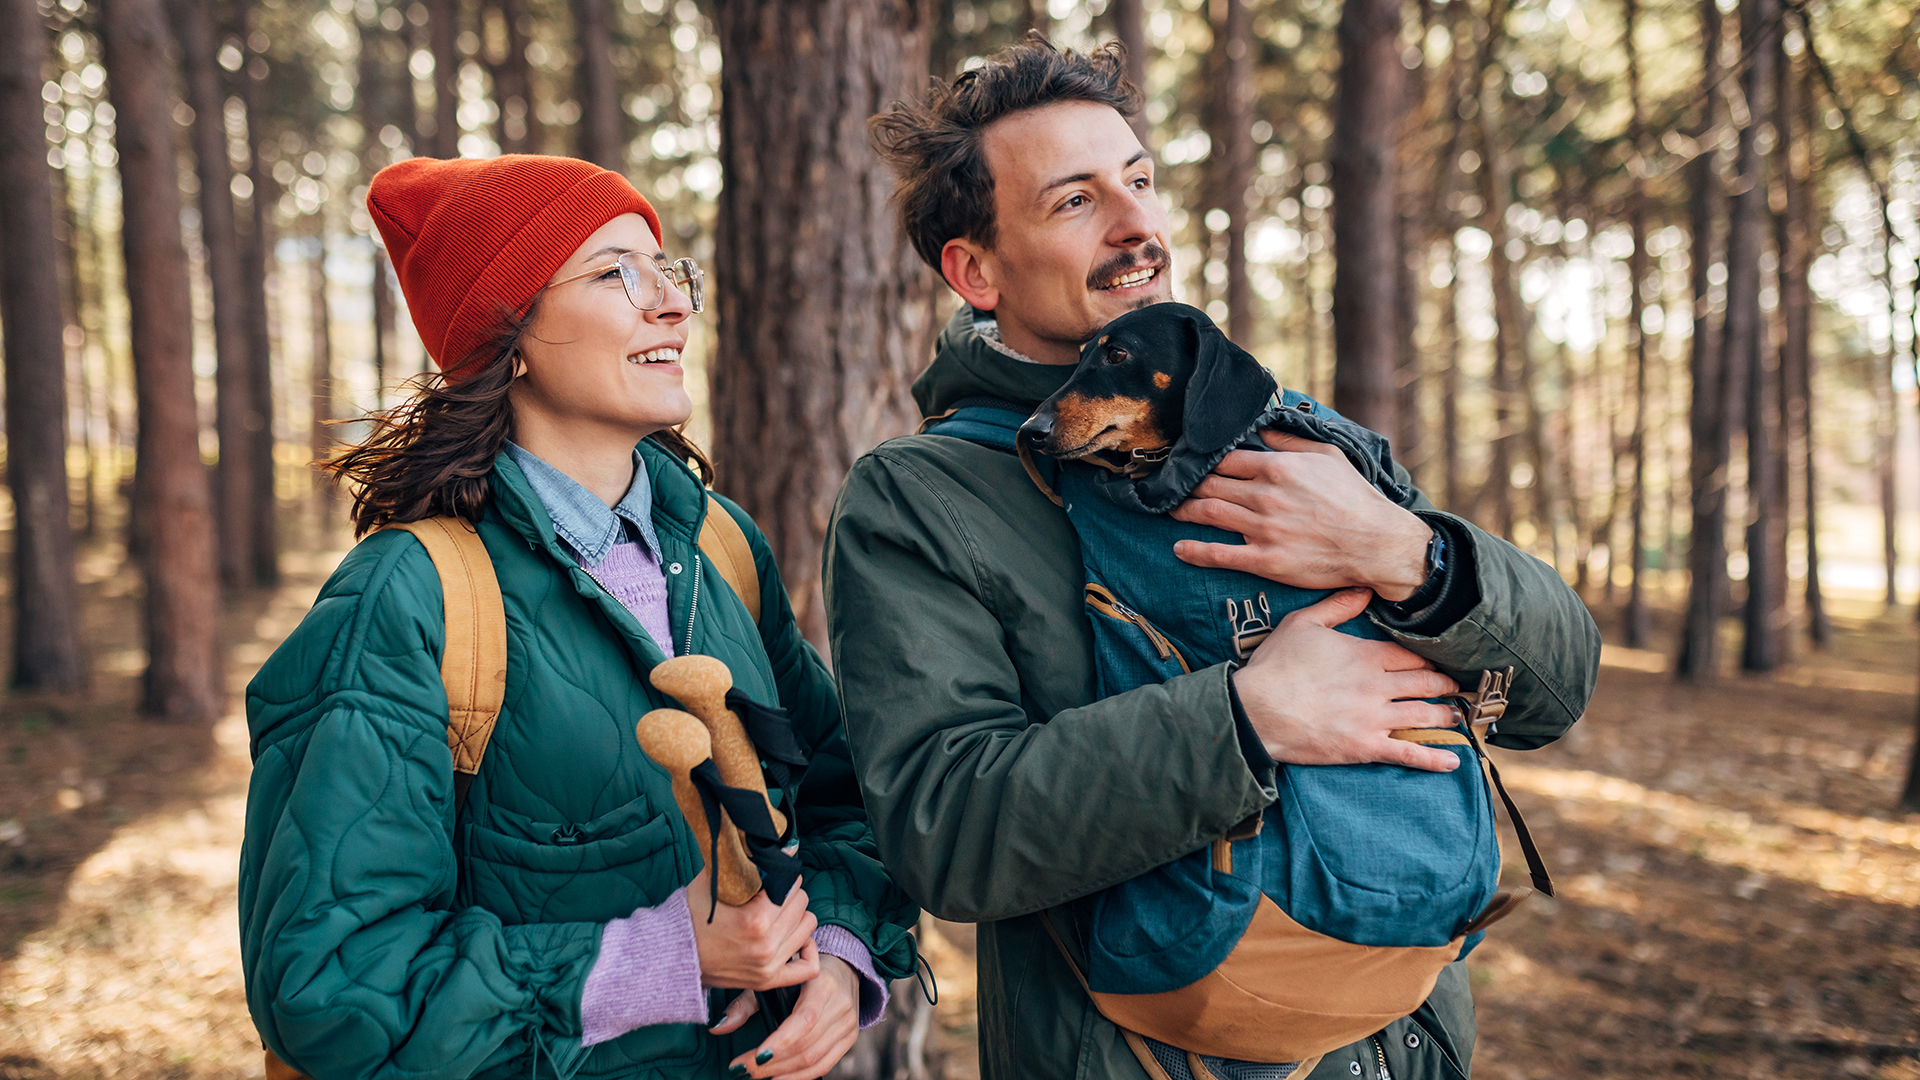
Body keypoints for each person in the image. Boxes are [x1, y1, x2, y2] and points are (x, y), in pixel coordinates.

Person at [825, 39, 1601, 1080]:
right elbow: (945, 829)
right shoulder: (922, 498)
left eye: (1139, 180)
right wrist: (1246, 719)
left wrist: (1399, 547)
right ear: (975, 269)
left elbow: (1552, 695)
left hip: (1406, 1041)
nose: (1138, 224)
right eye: (1074, 201)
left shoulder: (1300, 435)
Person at [239, 154, 917, 1080]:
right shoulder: (409, 598)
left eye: (668, 272)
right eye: (614, 273)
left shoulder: (720, 545)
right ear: (506, 335)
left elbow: (847, 800)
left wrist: (839, 954)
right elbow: (332, 985)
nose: (674, 305)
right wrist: (666, 954)